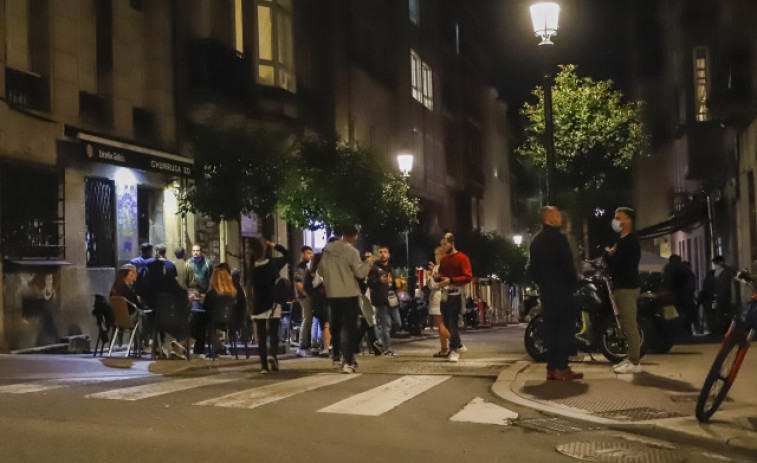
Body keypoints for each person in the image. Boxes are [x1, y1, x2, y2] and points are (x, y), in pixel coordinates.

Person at [529, 207, 582, 381]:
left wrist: (543, 283)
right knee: (565, 329)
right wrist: (574, 283)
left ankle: (551, 368)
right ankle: (562, 367)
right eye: (557, 215)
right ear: (549, 218)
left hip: (547, 291)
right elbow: (567, 265)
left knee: (550, 329)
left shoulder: (536, 241)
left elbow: (533, 269)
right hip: (562, 290)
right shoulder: (559, 239)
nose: (560, 218)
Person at [321, 224, 374, 373]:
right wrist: (368, 262)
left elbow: (320, 270)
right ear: (353, 236)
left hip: (332, 293)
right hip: (349, 293)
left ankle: (336, 357)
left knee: (335, 326)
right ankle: (349, 361)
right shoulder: (351, 251)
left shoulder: (327, 250)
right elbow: (360, 273)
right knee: (350, 328)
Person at [606, 206, 643, 374]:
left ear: (628, 221)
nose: (616, 221)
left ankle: (635, 362)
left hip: (627, 287)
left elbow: (617, 265)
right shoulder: (622, 241)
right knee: (626, 324)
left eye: (619, 217)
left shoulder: (630, 241)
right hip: (623, 286)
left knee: (629, 325)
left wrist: (609, 255)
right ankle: (630, 358)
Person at [250, 238, 290, 374]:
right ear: (265, 249)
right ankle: (273, 355)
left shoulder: (252, 268)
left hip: (259, 303)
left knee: (261, 335)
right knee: (273, 332)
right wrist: (273, 244)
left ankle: (263, 366)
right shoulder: (273, 264)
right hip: (273, 302)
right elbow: (287, 254)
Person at [436, 232, 473, 363]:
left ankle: (454, 350)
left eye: (445, 244)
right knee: (446, 322)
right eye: (441, 245)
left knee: (452, 322)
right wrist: (438, 277)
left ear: (452, 243)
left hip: (457, 294)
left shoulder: (462, 258)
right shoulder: (444, 260)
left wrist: (451, 280)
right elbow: (442, 274)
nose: (443, 247)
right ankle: (458, 343)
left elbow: (468, 277)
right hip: (446, 294)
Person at [193, 268, 238, 359]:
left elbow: (206, 307)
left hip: (212, 321)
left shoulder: (212, 293)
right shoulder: (233, 293)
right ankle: (221, 349)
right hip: (227, 320)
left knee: (198, 321)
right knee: (203, 323)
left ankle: (198, 350)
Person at [368, 246, 400, 357]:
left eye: (385, 252)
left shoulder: (391, 268)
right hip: (381, 299)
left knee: (398, 323)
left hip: (392, 299)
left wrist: (396, 283)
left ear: (389, 255)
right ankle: (387, 349)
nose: (382, 254)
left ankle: (379, 341)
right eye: (380, 252)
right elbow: (370, 283)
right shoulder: (374, 268)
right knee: (386, 326)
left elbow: (395, 284)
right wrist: (379, 281)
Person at [357, 251, 384, 356]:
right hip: (363, 297)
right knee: (370, 321)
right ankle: (376, 346)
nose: (371, 260)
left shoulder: (375, 269)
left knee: (367, 322)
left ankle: (356, 345)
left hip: (371, 297)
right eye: (368, 258)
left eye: (372, 258)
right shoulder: (361, 270)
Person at [427, 247, 450, 357]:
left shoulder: (438, 267)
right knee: (443, 325)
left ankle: (457, 342)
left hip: (437, 298)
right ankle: (444, 349)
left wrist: (429, 277)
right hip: (447, 298)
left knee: (440, 324)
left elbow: (433, 285)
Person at [309, 252, 331, 356]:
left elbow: (314, 284)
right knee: (326, 324)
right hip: (327, 299)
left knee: (325, 324)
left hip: (322, 300)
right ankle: (328, 347)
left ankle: (326, 348)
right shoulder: (325, 270)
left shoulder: (316, 272)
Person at [294, 246, 314, 357]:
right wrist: (307, 295)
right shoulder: (300, 267)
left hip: (305, 296)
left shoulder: (305, 267)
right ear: (302, 254)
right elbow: (299, 284)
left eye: (311, 253)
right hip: (304, 297)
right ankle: (302, 346)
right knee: (307, 320)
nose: (310, 255)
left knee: (308, 320)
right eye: (308, 253)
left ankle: (305, 346)